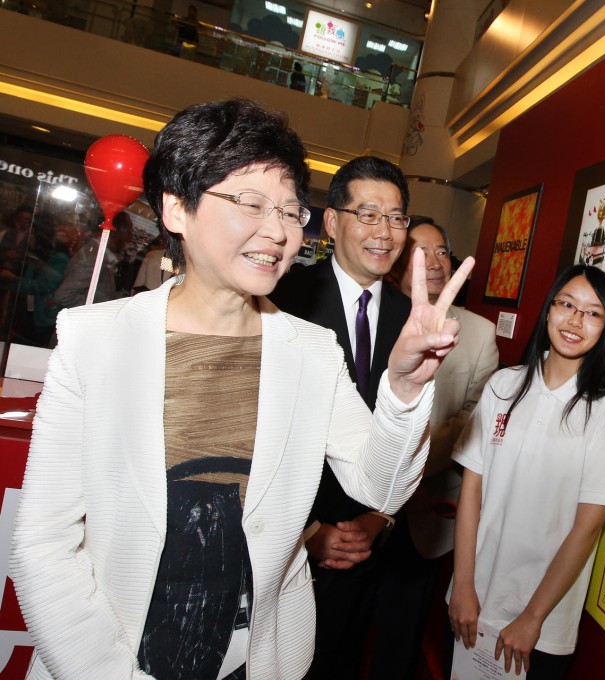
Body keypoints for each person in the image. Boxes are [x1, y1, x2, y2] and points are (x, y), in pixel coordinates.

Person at [9, 98, 472, 680]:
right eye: (250, 204)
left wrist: (403, 389)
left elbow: (379, 481)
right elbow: (45, 544)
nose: (277, 231)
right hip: (111, 658)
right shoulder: (94, 341)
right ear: (176, 208)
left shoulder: (307, 351)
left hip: (258, 662)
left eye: (289, 209)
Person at [448, 265, 605, 679]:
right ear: (548, 310)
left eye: (592, 313)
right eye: (566, 304)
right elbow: (472, 494)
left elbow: (587, 529)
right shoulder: (503, 386)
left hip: (542, 622)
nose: (574, 320)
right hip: (473, 600)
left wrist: (533, 617)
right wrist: (461, 586)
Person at [268, 154, 413, 679]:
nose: (385, 231)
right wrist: (308, 533)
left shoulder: (412, 317)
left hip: (368, 544)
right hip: (283, 548)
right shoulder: (281, 300)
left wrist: (381, 517)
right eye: (368, 214)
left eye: (396, 218)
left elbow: (409, 438)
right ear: (331, 223)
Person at [368, 217, 499, 680]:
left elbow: (474, 417)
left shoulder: (480, 333)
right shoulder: (372, 318)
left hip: (428, 510)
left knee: (400, 636)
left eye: (442, 251)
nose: (436, 262)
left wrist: (414, 475)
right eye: (421, 252)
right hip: (358, 506)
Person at [51, 211, 134, 311]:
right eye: (129, 233)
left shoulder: (99, 254)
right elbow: (64, 295)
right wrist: (95, 313)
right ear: (115, 232)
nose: (130, 238)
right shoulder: (94, 257)